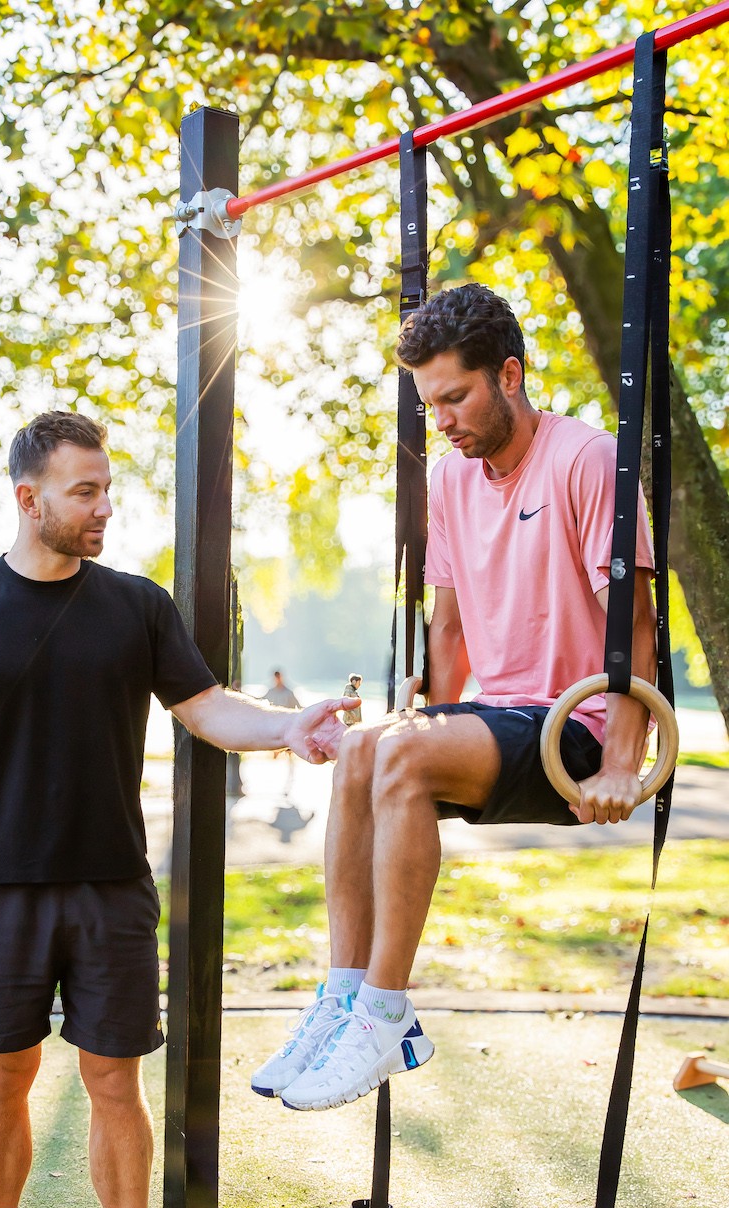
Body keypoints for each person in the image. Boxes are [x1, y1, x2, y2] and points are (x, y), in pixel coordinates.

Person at [0, 410, 356, 1208]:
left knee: (113, 1079)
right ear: (30, 498)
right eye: (85, 491)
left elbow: (205, 707)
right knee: (2, 1076)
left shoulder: (137, 606)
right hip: (0, 892)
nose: (104, 508)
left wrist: (286, 729)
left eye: (107, 489)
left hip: (113, 891)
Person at [252, 283, 656, 1111]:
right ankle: (343, 996)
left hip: (573, 725)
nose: (440, 420)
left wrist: (622, 761)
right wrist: (423, 712)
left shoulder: (585, 459)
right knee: (363, 750)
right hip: (500, 717)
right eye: (429, 403)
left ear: (509, 375)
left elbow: (636, 625)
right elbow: (451, 630)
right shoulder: (452, 481)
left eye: (454, 398)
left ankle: (386, 1014)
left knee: (398, 755)